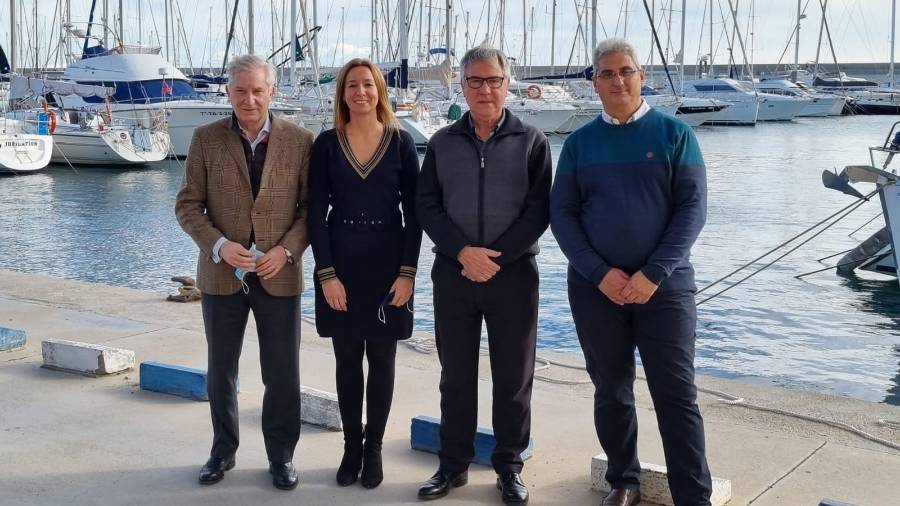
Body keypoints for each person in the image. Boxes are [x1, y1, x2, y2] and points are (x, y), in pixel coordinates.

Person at [550, 38, 712, 506]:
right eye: (607, 73)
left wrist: (652, 274)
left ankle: (692, 495)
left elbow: (692, 210)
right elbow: (563, 215)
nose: (617, 80)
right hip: (595, 289)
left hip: (665, 288)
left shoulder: (675, 135)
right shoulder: (579, 144)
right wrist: (600, 274)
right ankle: (624, 480)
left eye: (626, 71)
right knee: (612, 389)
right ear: (594, 82)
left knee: (676, 394)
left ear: (643, 77)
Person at [415, 45, 551, 505]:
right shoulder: (442, 142)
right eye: (475, 81)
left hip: (513, 275)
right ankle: (452, 465)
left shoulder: (532, 141)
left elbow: (539, 212)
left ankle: (509, 467)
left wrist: (494, 258)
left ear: (507, 84)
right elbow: (426, 205)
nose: (485, 89)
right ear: (463, 85)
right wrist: (461, 252)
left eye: (493, 80)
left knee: (513, 378)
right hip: (453, 275)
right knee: (455, 376)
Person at [175, 54, 313, 491]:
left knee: (283, 372)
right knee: (221, 370)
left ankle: (282, 456)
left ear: (272, 91)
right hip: (221, 276)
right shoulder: (204, 139)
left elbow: (311, 211)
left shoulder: (299, 140)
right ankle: (222, 451)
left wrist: (287, 252)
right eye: (240, 90)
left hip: (279, 274)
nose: (249, 99)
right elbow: (187, 205)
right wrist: (219, 245)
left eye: (258, 90)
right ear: (228, 92)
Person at [308, 58, 422, 489]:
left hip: (389, 265)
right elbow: (316, 216)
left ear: (380, 91)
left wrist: (408, 274)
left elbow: (415, 216)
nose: (360, 92)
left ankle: (373, 448)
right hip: (341, 265)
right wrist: (327, 275)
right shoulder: (326, 144)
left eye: (368, 85)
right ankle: (350, 446)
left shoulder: (400, 143)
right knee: (346, 359)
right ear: (342, 93)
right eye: (352, 85)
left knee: (383, 358)